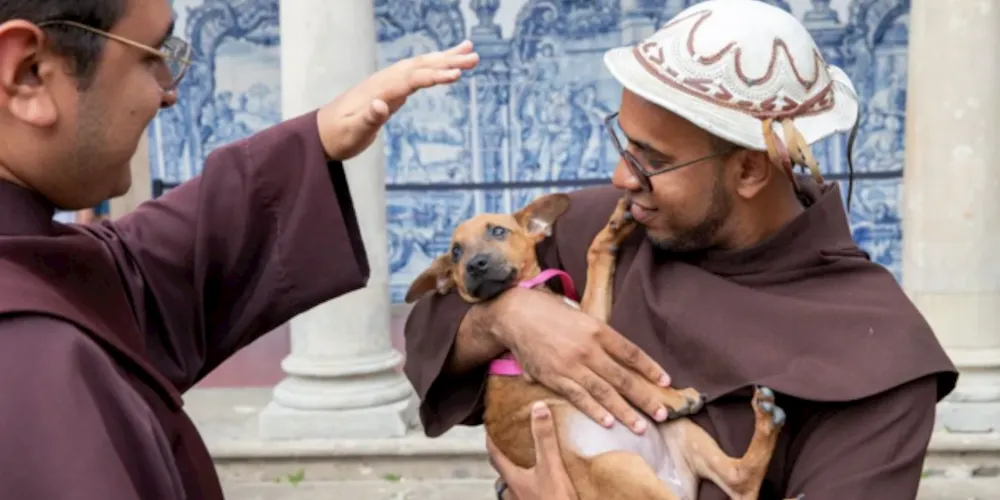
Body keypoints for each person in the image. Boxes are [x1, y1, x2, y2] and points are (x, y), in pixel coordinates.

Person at [403, 1, 958, 499]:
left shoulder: (881, 355)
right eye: (624, 142)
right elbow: (434, 321)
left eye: (654, 159)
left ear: (748, 169)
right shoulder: (610, 228)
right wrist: (509, 316)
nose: (623, 175)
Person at [0, 0, 478, 498]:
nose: (169, 91)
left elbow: (127, 268)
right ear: (27, 73)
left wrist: (314, 140)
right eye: (150, 55)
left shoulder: (31, 270)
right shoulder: (28, 360)